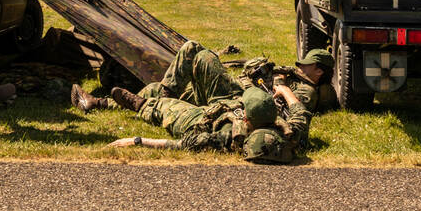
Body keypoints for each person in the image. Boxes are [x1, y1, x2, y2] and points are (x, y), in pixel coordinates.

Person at [97, 40, 312, 164]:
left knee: (164, 106)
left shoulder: (228, 135)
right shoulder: (290, 133)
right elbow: (299, 111)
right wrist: (284, 90)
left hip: (209, 118)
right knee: (195, 50)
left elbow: (184, 144)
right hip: (229, 99)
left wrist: (136, 141)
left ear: (247, 117)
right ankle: (162, 92)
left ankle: (127, 104)